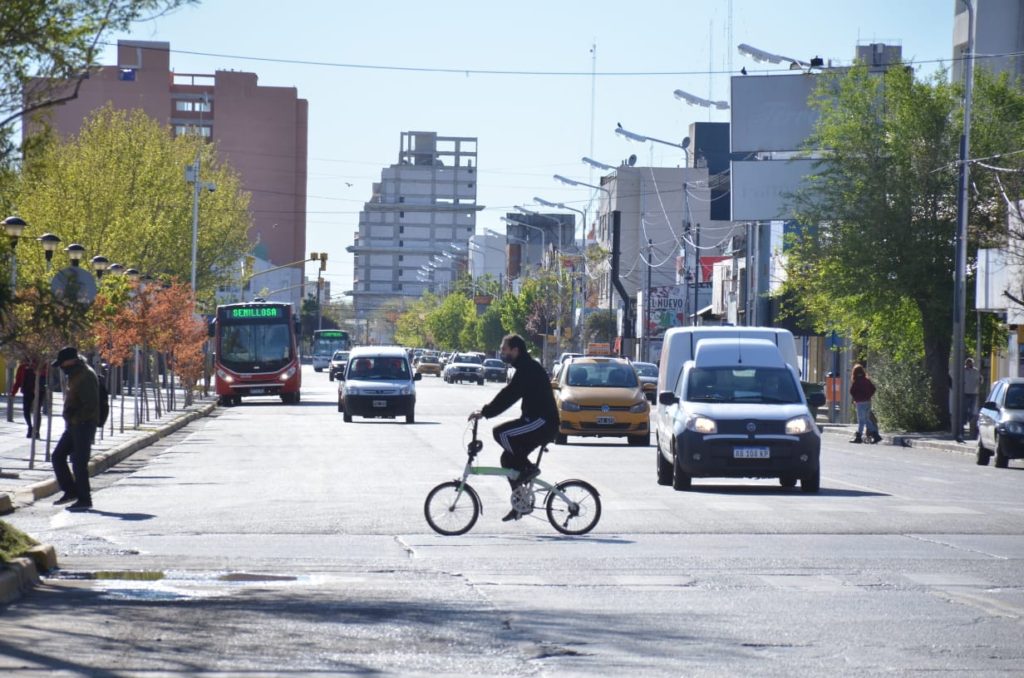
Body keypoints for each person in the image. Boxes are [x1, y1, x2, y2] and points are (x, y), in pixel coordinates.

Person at [469, 334, 560, 522]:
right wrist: (485, 411)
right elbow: (508, 394)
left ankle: (528, 468)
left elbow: (509, 396)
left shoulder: (528, 369)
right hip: (533, 420)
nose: (502, 352)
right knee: (507, 459)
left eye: (504, 349)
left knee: (500, 432)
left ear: (515, 350)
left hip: (543, 422)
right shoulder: (524, 368)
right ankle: (520, 505)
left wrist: (485, 412)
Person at [50, 347, 100, 512]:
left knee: (79, 463)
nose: (62, 367)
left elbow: (91, 405)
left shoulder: (85, 375)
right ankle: (71, 492)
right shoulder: (76, 373)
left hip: (84, 424)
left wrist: (75, 417)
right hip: (74, 424)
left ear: (72, 360)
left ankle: (84, 499)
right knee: (58, 456)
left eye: (63, 363)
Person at [10, 359, 45, 439]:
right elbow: (18, 380)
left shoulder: (41, 365)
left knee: (37, 411)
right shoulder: (22, 367)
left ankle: (36, 431)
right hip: (27, 391)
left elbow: (46, 375)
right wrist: (13, 392)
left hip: (39, 391)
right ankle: (30, 427)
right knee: (26, 410)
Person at [849, 364, 881, 444]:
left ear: (854, 372)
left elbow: (852, 391)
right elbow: (873, 388)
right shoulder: (867, 380)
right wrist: (868, 395)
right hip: (868, 402)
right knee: (866, 420)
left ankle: (858, 437)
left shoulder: (856, 381)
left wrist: (856, 398)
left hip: (860, 402)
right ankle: (876, 436)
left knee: (861, 420)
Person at [963, 358, 981, 434]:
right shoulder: (962, 371)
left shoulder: (975, 371)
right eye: (968, 363)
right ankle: (964, 422)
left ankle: (970, 424)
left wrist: (979, 384)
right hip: (965, 392)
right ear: (966, 363)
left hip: (973, 393)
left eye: (971, 363)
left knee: (972, 410)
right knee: (965, 409)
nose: (969, 365)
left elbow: (980, 380)